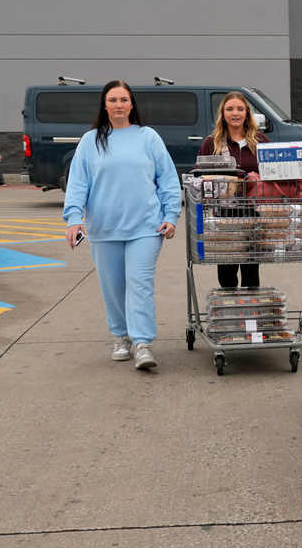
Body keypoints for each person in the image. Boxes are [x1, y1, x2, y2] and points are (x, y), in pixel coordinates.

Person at [63, 80, 181, 370]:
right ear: (104, 105)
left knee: (139, 284)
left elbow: (167, 179)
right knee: (113, 287)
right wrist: (74, 219)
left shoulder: (148, 137)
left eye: (124, 100)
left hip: (146, 227)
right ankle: (122, 336)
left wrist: (171, 215)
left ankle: (142, 343)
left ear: (132, 104)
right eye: (113, 100)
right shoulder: (90, 141)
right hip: (104, 229)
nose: (119, 105)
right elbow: (78, 183)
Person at [196, 92, 272, 289]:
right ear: (223, 113)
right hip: (225, 215)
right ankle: (230, 311)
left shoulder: (261, 142)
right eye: (229, 109)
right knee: (227, 270)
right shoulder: (211, 143)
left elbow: (273, 175)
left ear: (247, 113)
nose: (235, 113)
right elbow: (200, 178)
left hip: (255, 213)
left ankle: (249, 313)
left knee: (251, 268)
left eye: (240, 108)